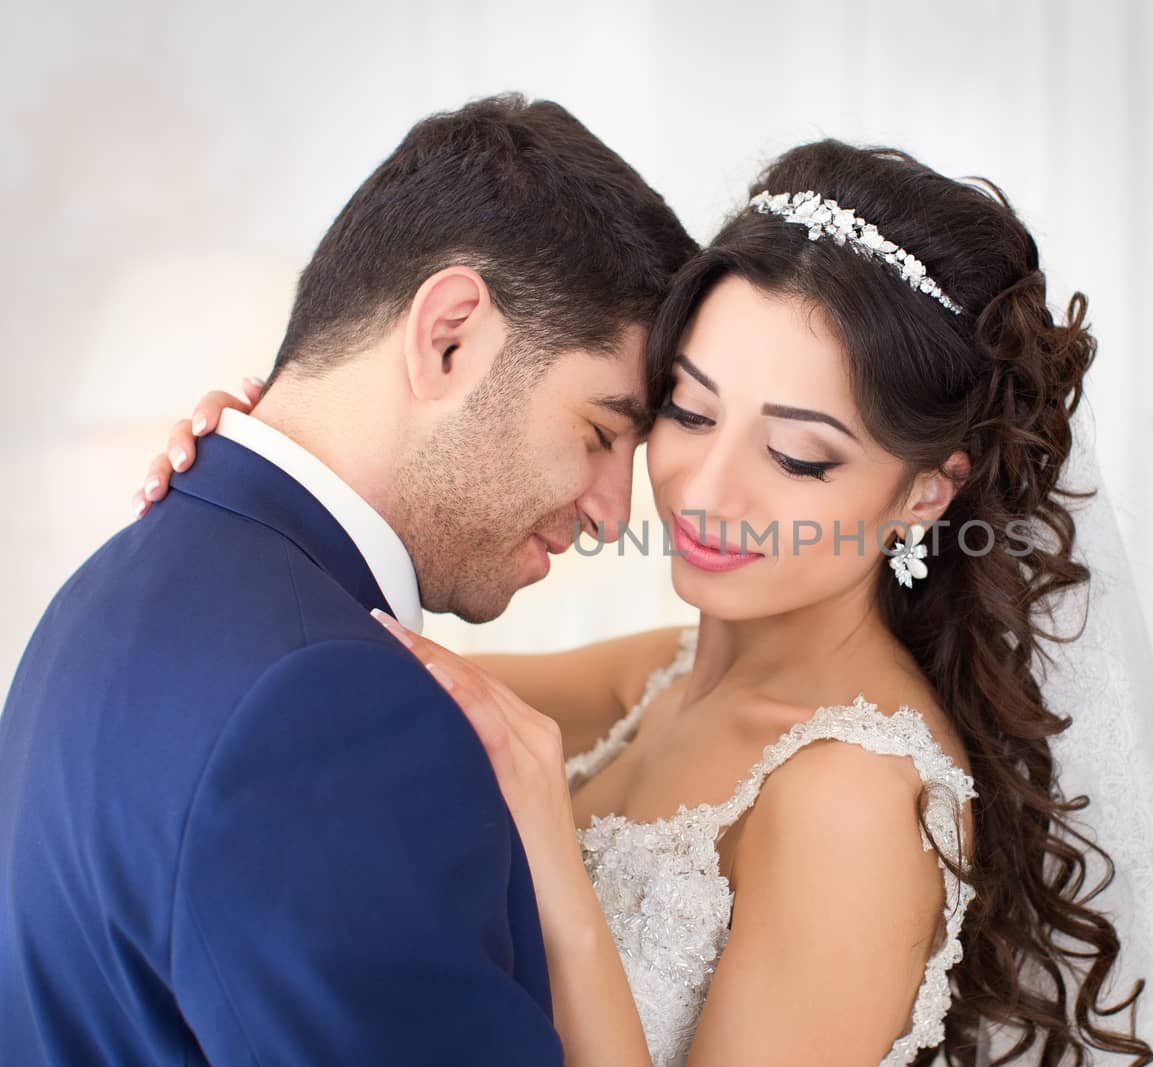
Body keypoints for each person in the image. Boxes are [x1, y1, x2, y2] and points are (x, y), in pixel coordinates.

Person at [143, 140, 1153, 1066]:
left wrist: (557, 871)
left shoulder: (851, 791)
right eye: (689, 410)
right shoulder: (655, 672)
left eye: (800, 455)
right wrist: (269, 462)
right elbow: (326, 672)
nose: (708, 492)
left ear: (921, 492)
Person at [0, 94, 698, 1066]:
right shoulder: (329, 709)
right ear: (449, 334)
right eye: (598, 431)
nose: (614, 510)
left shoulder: (110, 588)